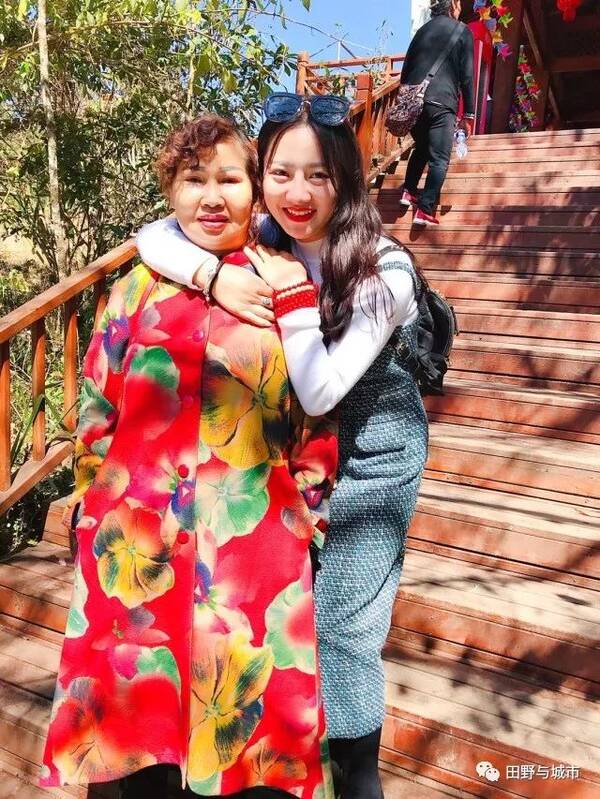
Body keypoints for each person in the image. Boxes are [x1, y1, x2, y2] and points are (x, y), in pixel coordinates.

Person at [137, 92, 429, 799]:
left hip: (373, 456)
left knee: (342, 626)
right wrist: (214, 274)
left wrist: (293, 295)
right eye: (280, 173)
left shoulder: (385, 270)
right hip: (296, 453)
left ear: (346, 178)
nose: (298, 194)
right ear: (261, 176)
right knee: (284, 613)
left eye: (319, 175)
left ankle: (358, 774)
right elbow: (154, 236)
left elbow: (323, 389)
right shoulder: (266, 234)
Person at [40, 113, 337, 799]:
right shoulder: (135, 288)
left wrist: (310, 515)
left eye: (229, 179)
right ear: (170, 190)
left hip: (254, 540)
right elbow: (98, 402)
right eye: (193, 179)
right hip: (136, 534)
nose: (211, 197)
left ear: (254, 190)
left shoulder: (284, 282)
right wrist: (89, 497)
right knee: (137, 723)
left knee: (242, 726)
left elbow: (316, 415)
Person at [400, 0, 475, 226]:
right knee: (439, 158)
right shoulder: (462, 30)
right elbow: (467, 76)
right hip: (442, 102)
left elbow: (405, 69)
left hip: (414, 101)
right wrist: (469, 113)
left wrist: (406, 100)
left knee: (422, 147)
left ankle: (408, 191)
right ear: (453, 5)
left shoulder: (422, 31)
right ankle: (424, 209)